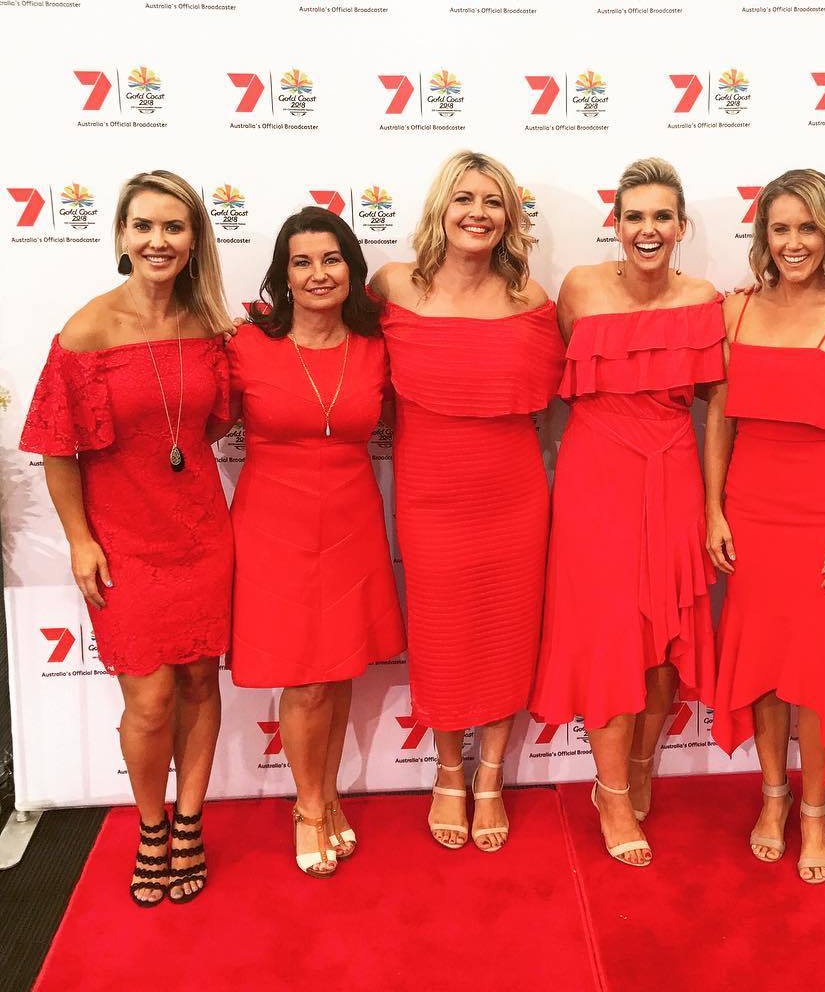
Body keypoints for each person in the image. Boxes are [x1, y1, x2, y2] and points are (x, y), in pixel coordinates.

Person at [19, 170, 234, 906]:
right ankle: (151, 827)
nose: (157, 240)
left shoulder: (210, 327)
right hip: (123, 544)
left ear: (194, 239)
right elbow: (57, 446)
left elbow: (216, 420)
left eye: (174, 226)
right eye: (143, 225)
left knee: (201, 682)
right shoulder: (87, 331)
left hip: (202, 534)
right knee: (148, 700)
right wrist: (80, 540)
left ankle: (190, 823)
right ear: (121, 235)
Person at [529, 157, 724, 867]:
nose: (648, 229)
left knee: (665, 639)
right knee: (609, 638)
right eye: (634, 216)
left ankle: (640, 768)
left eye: (661, 216)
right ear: (615, 223)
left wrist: (715, 505)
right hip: (596, 477)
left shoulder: (703, 298)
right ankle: (611, 793)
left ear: (681, 226)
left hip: (673, 472)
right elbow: (546, 377)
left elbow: (719, 409)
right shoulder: (580, 287)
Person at [369, 151, 564, 852]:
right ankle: (448, 770)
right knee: (442, 634)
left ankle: (490, 777)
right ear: (440, 209)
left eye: (492, 201)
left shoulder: (531, 300)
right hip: (430, 494)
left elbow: (549, 397)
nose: (477, 213)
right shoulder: (392, 285)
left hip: (513, 494)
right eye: (464, 199)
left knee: (508, 631)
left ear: (509, 217)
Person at [708, 168, 825, 884]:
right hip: (752, 515)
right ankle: (773, 797)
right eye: (780, 228)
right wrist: (713, 510)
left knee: (815, 673)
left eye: (808, 228)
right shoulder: (736, 310)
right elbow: (719, 421)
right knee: (760, 668)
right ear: (763, 235)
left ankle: (814, 811)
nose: (794, 242)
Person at [217, 208, 405, 877]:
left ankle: (326, 796)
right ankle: (308, 807)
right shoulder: (245, 345)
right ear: (284, 275)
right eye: (302, 262)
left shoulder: (377, 344)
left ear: (352, 270)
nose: (318, 273)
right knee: (305, 681)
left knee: (340, 667)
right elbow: (197, 416)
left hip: (352, 521)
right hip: (273, 528)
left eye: (331, 259)